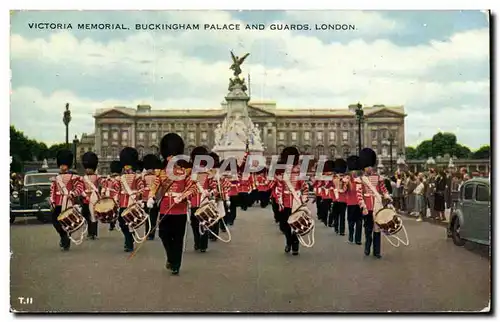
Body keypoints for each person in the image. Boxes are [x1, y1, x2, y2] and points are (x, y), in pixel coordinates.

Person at [148, 133, 198, 275]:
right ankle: (171, 257)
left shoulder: (185, 173)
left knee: (177, 239)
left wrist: (182, 196)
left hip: (179, 210)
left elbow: (193, 188)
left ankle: (175, 264)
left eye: (172, 156)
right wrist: (151, 197)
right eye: (168, 156)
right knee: (163, 235)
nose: (170, 158)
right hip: (165, 209)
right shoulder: (162, 173)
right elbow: (156, 185)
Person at [355, 148, 392, 259]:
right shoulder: (360, 179)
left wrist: (387, 196)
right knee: (368, 229)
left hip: (377, 206)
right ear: (364, 167)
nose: (370, 168)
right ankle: (367, 247)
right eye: (368, 166)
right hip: (368, 207)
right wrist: (363, 206)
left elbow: (383, 189)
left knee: (377, 229)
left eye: (371, 166)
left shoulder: (378, 177)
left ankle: (377, 251)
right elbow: (359, 194)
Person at [275, 146, 309, 256]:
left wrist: (304, 197)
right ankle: (288, 241)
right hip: (285, 202)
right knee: (284, 225)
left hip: (296, 202)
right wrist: (279, 199)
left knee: (296, 225)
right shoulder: (281, 171)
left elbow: (304, 186)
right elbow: (279, 187)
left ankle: (295, 245)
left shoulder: (299, 171)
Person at [49, 150, 85, 251]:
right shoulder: (56, 178)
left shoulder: (74, 177)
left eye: (64, 165)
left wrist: (73, 194)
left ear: (67, 166)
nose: (62, 167)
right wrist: (52, 201)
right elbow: (52, 190)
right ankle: (63, 236)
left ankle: (65, 242)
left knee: (67, 223)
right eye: (61, 165)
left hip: (68, 202)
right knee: (55, 221)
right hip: (58, 203)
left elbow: (79, 188)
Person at [117, 147, 145, 252]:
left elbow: (141, 188)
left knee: (131, 223)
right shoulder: (121, 178)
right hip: (123, 202)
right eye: (125, 165)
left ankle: (129, 242)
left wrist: (137, 195)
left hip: (132, 202)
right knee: (121, 223)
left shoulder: (137, 177)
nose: (127, 168)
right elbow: (117, 190)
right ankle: (128, 237)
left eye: (128, 165)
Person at [188, 146, 212, 253]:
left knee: (204, 223)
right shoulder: (191, 173)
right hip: (194, 201)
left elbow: (213, 186)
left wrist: (210, 192)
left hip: (204, 201)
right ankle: (198, 242)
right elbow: (188, 187)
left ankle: (202, 244)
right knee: (195, 223)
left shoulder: (209, 173)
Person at [80, 151, 102, 240]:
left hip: (94, 198)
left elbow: (101, 186)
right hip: (86, 199)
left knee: (94, 215)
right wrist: (84, 195)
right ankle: (90, 231)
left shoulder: (97, 177)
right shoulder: (82, 178)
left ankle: (93, 233)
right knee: (86, 215)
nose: (88, 170)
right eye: (87, 168)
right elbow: (81, 188)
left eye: (90, 168)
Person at [142, 154, 161, 240]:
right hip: (153, 198)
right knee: (152, 217)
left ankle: (148, 233)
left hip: (148, 198)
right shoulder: (156, 176)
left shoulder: (145, 177)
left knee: (148, 217)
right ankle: (150, 234)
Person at [345, 155, 362, 245]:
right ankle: (351, 235)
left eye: (355, 171)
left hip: (359, 204)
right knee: (351, 223)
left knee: (359, 223)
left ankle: (358, 239)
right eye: (353, 171)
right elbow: (344, 190)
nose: (354, 173)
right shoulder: (347, 181)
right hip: (351, 204)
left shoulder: (360, 180)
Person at [102, 160, 121, 231]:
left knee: (113, 210)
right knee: (114, 210)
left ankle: (112, 224)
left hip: (112, 196)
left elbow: (104, 187)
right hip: (114, 196)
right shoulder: (119, 179)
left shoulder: (108, 179)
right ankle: (113, 223)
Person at [332, 158, 348, 235]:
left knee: (342, 216)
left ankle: (341, 230)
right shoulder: (334, 178)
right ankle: (336, 227)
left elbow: (346, 189)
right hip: (336, 198)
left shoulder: (345, 179)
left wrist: (345, 183)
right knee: (336, 215)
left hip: (343, 199)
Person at [318, 160, 334, 227]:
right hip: (325, 195)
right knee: (325, 209)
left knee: (332, 210)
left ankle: (330, 222)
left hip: (332, 195)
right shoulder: (323, 176)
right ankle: (325, 220)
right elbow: (320, 184)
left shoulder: (333, 176)